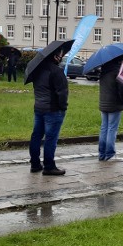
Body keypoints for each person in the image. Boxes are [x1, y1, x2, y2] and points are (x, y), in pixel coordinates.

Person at [29, 48, 69, 176]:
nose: (61, 57)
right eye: (60, 55)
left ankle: (35, 164)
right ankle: (49, 166)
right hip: (53, 109)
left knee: (36, 136)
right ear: (55, 57)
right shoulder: (57, 71)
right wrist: (63, 107)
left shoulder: (37, 70)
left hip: (39, 107)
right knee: (50, 139)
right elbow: (62, 93)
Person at [97, 57, 123, 161]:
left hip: (104, 103)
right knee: (112, 129)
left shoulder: (104, 71)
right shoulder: (118, 72)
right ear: (120, 60)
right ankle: (110, 154)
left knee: (104, 128)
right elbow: (121, 91)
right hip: (115, 104)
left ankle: (102, 154)